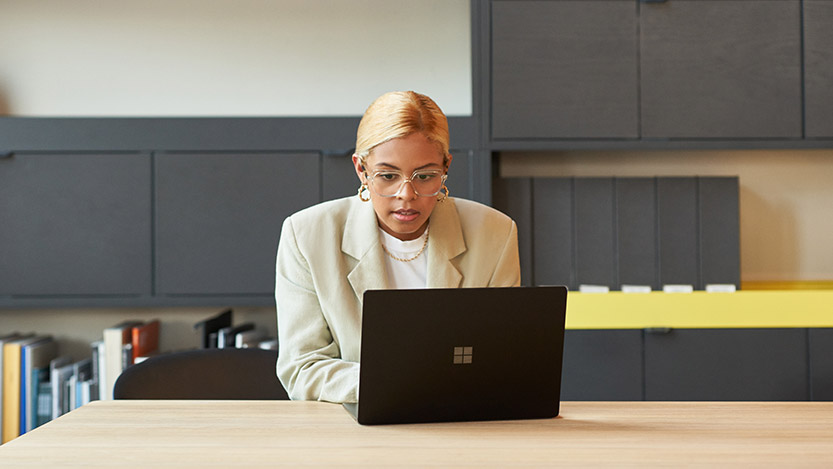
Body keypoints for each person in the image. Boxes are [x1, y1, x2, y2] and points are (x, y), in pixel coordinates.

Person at [275, 91, 520, 403]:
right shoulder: (307, 235)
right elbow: (302, 370)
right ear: (361, 170)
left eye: (426, 176)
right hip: (354, 429)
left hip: (459, 424)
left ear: (446, 167)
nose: (406, 194)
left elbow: (503, 361)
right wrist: (398, 381)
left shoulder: (494, 233)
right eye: (388, 176)